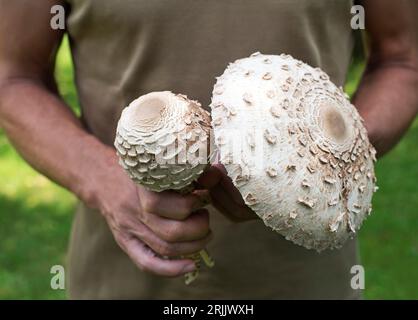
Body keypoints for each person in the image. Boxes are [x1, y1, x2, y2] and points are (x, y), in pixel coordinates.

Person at [0, 0, 416, 299]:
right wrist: (104, 181)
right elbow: (12, 76)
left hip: (309, 281)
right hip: (120, 280)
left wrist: (331, 154)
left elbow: (405, 59)